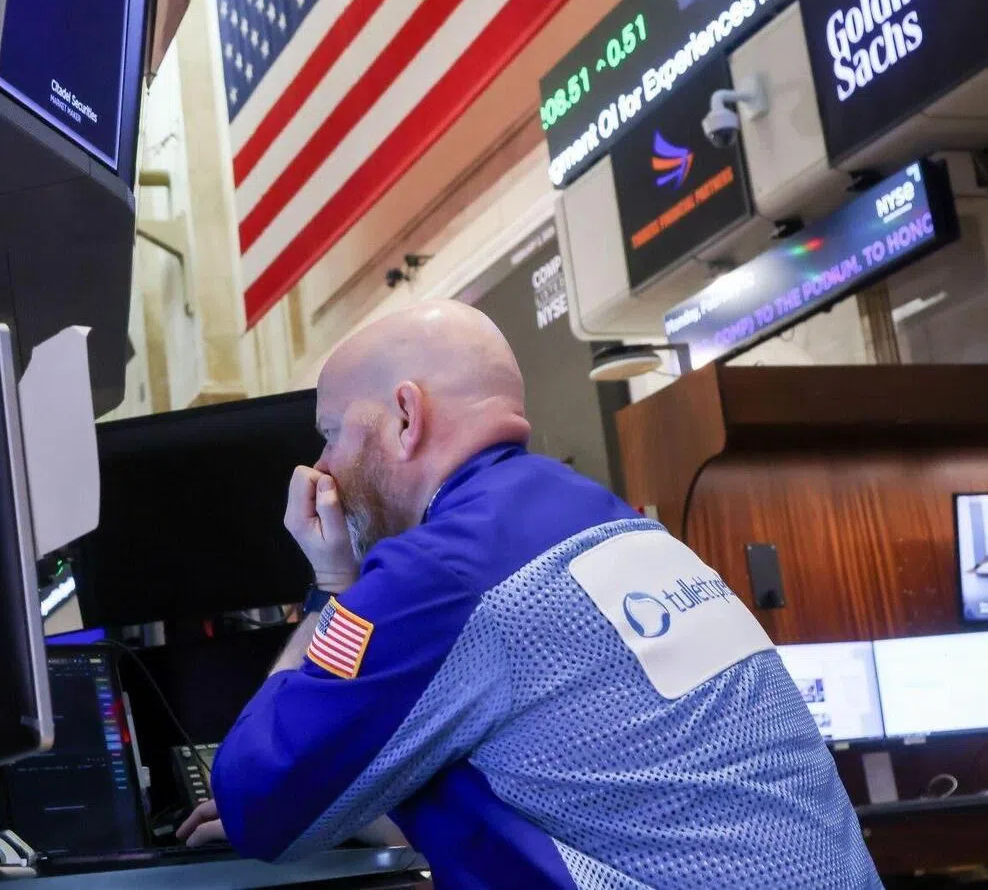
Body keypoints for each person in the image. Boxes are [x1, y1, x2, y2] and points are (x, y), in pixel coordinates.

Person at [179, 300, 881, 888]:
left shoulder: (446, 571)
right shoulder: (613, 524)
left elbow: (258, 804)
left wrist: (333, 586)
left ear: (404, 415)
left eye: (332, 433)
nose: (323, 467)